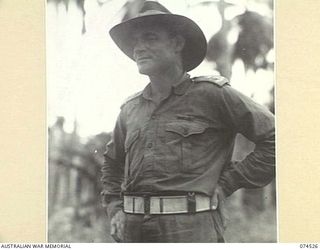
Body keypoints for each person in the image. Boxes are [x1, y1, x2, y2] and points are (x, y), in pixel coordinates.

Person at [101, 1, 275, 243]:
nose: (138, 48)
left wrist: (228, 183)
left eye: (149, 38)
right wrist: (115, 209)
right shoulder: (130, 109)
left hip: (191, 228)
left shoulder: (213, 94)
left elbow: (278, 139)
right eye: (135, 42)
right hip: (133, 230)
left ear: (177, 44)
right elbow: (112, 164)